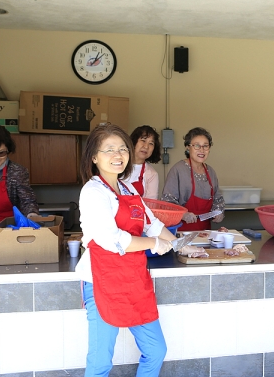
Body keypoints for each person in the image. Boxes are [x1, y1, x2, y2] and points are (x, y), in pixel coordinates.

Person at [74, 124, 179, 377]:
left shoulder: (128, 188)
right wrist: (153, 244)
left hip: (133, 278)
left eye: (122, 149)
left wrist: (178, 244)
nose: (118, 155)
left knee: (156, 350)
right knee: (100, 362)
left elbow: (151, 223)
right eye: (109, 149)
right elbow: (112, 239)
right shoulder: (92, 192)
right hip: (102, 280)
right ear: (94, 157)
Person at [161, 127, 225, 231]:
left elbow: (218, 199)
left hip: (204, 232)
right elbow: (167, 203)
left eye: (205, 146)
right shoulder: (178, 170)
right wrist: (183, 215)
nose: (202, 150)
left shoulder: (211, 172)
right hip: (181, 230)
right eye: (196, 146)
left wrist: (219, 212)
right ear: (188, 147)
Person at [123, 125, 161, 199]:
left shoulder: (152, 174)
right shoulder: (118, 164)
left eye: (151, 143)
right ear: (133, 141)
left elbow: (150, 203)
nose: (146, 146)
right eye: (143, 140)